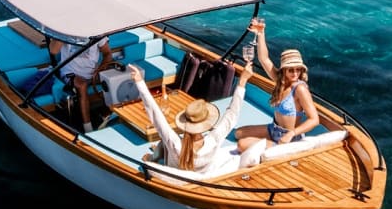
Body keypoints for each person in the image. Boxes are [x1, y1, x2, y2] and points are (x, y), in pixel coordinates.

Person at [129, 62, 253, 173]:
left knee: (164, 141)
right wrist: (242, 81)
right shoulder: (213, 140)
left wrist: (140, 82)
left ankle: (153, 157)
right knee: (165, 141)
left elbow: (155, 114)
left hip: (174, 170)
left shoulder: (175, 143)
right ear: (205, 122)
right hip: (200, 176)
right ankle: (155, 155)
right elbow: (232, 114)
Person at [235, 18, 320, 152]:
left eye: (298, 69)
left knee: (242, 144)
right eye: (291, 70)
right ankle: (270, 145)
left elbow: (314, 119)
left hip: (289, 138)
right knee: (238, 132)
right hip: (273, 129)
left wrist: (291, 134)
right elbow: (264, 59)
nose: (295, 73)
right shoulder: (280, 81)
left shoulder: (300, 89)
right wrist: (261, 34)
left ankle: (276, 148)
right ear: (284, 70)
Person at [48, 36, 113, 132]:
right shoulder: (64, 32)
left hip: (92, 72)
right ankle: (88, 128)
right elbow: (53, 51)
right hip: (70, 72)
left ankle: (109, 116)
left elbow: (107, 53)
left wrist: (100, 69)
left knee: (114, 77)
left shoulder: (97, 32)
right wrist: (61, 33)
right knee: (82, 85)